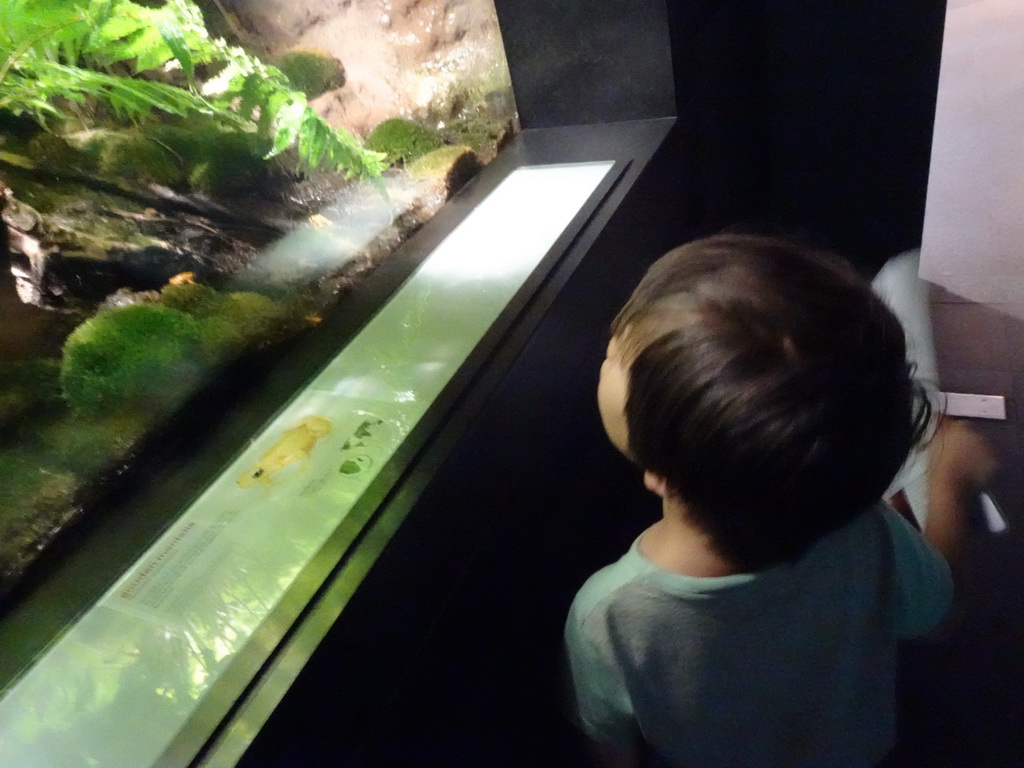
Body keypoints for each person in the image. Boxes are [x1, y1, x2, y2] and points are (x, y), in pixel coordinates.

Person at [564, 234, 997, 768]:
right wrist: (948, 476)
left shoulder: (607, 615)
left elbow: (613, 751)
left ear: (664, 476)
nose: (611, 344)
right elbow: (938, 614)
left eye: (620, 358)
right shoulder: (866, 530)